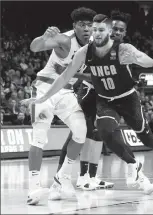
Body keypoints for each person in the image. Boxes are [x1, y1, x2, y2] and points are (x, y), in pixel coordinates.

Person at [27, 13, 153, 195]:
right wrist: (43, 98)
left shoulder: (123, 49)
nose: (96, 33)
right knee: (100, 132)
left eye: (101, 30)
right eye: (94, 29)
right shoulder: (83, 50)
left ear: (110, 32)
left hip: (126, 98)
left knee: (144, 138)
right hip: (103, 97)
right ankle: (75, 177)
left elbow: (150, 62)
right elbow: (64, 76)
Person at [23, 7, 97, 205]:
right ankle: (33, 186)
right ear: (75, 26)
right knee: (39, 136)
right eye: (82, 25)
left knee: (81, 131)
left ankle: (61, 177)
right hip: (44, 89)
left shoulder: (93, 45)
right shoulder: (64, 40)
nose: (87, 29)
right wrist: (43, 36)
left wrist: (75, 74)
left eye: (90, 25)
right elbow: (34, 47)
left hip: (66, 93)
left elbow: (94, 75)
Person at [56, 8, 130, 191]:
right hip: (88, 92)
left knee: (97, 135)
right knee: (81, 134)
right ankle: (76, 176)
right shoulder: (92, 45)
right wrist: (86, 76)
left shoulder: (119, 48)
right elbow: (85, 73)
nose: (116, 32)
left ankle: (92, 176)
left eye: (120, 29)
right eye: (114, 28)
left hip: (104, 95)